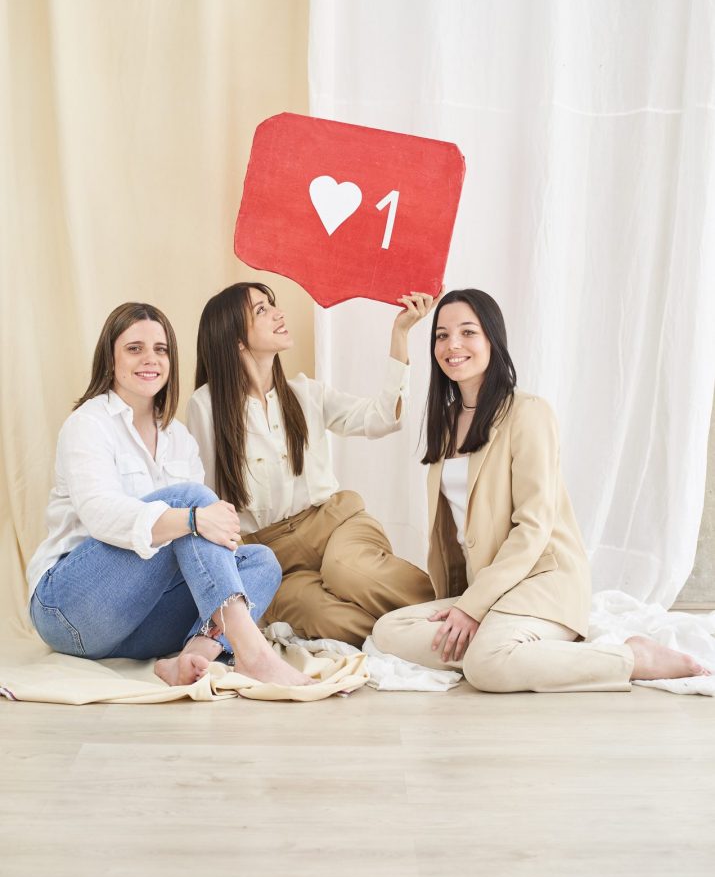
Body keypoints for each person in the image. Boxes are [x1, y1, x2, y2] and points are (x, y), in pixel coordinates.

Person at [372, 288, 709, 692]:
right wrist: (466, 604)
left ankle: (633, 658)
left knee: (485, 667)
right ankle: (514, 651)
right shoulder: (446, 421)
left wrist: (472, 608)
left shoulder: (527, 412)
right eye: (442, 335)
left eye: (467, 332)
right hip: (489, 589)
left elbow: (532, 528)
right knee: (389, 630)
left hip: (542, 581)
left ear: (493, 340)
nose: (453, 345)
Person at [27, 302, 311, 688]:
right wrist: (192, 518)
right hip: (71, 611)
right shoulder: (88, 424)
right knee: (189, 503)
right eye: (135, 348)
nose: (151, 359)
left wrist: (200, 525)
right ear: (110, 359)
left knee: (261, 561)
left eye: (160, 350)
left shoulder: (179, 438)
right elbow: (101, 515)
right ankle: (254, 654)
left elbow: (200, 543)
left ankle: (194, 656)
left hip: (139, 626)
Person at [186, 282, 437, 646]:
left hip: (333, 523)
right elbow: (204, 498)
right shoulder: (206, 407)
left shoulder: (306, 394)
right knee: (326, 617)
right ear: (235, 339)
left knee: (348, 571)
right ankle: (418, 638)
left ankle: (454, 611)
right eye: (261, 310)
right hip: (273, 556)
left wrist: (401, 332)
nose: (278, 313)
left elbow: (384, 417)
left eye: (272, 304)